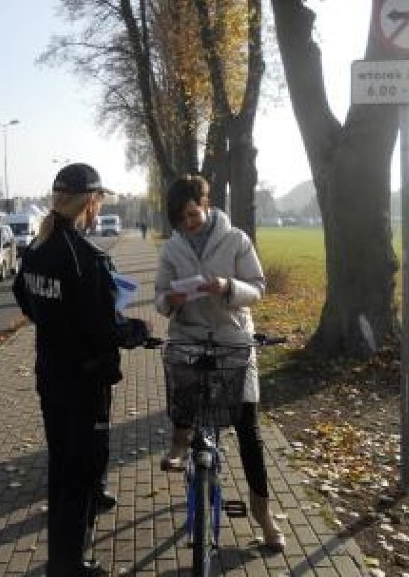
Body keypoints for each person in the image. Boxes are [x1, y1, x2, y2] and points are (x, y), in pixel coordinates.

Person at [13, 162, 150, 577]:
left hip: (51, 375)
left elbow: (25, 299)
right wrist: (134, 330)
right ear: (91, 203)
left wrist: (56, 323)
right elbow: (102, 328)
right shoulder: (85, 258)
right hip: (83, 382)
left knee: (62, 471)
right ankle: (69, 567)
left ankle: (65, 561)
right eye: (99, 200)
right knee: (80, 476)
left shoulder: (37, 248)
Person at [153, 174, 285, 551]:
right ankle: (180, 442)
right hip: (190, 336)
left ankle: (264, 516)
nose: (188, 224)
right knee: (179, 381)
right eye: (181, 220)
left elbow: (258, 287)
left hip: (232, 340)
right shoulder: (172, 248)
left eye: (193, 215)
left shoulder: (235, 239)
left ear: (206, 204)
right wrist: (171, 302)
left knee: (248, 428)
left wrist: (227, 286)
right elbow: (161, 295)